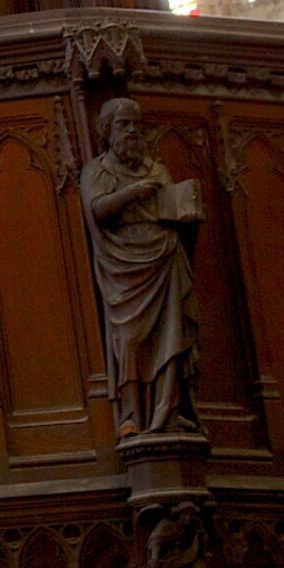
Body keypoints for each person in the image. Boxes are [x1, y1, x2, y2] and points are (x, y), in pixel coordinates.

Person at [79, 97, 202, 437]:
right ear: (107, 132)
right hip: (123, 265)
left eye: (137, 124)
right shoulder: (99, 170)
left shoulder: (157, 169)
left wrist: (188, 208)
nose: (132, 131)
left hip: (164, 258)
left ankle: (170, 410)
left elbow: (172, 208)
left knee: (171, 336)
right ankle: (132, 414)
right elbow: (98, 210)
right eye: (123, 124)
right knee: (129, 339)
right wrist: (133, 193)